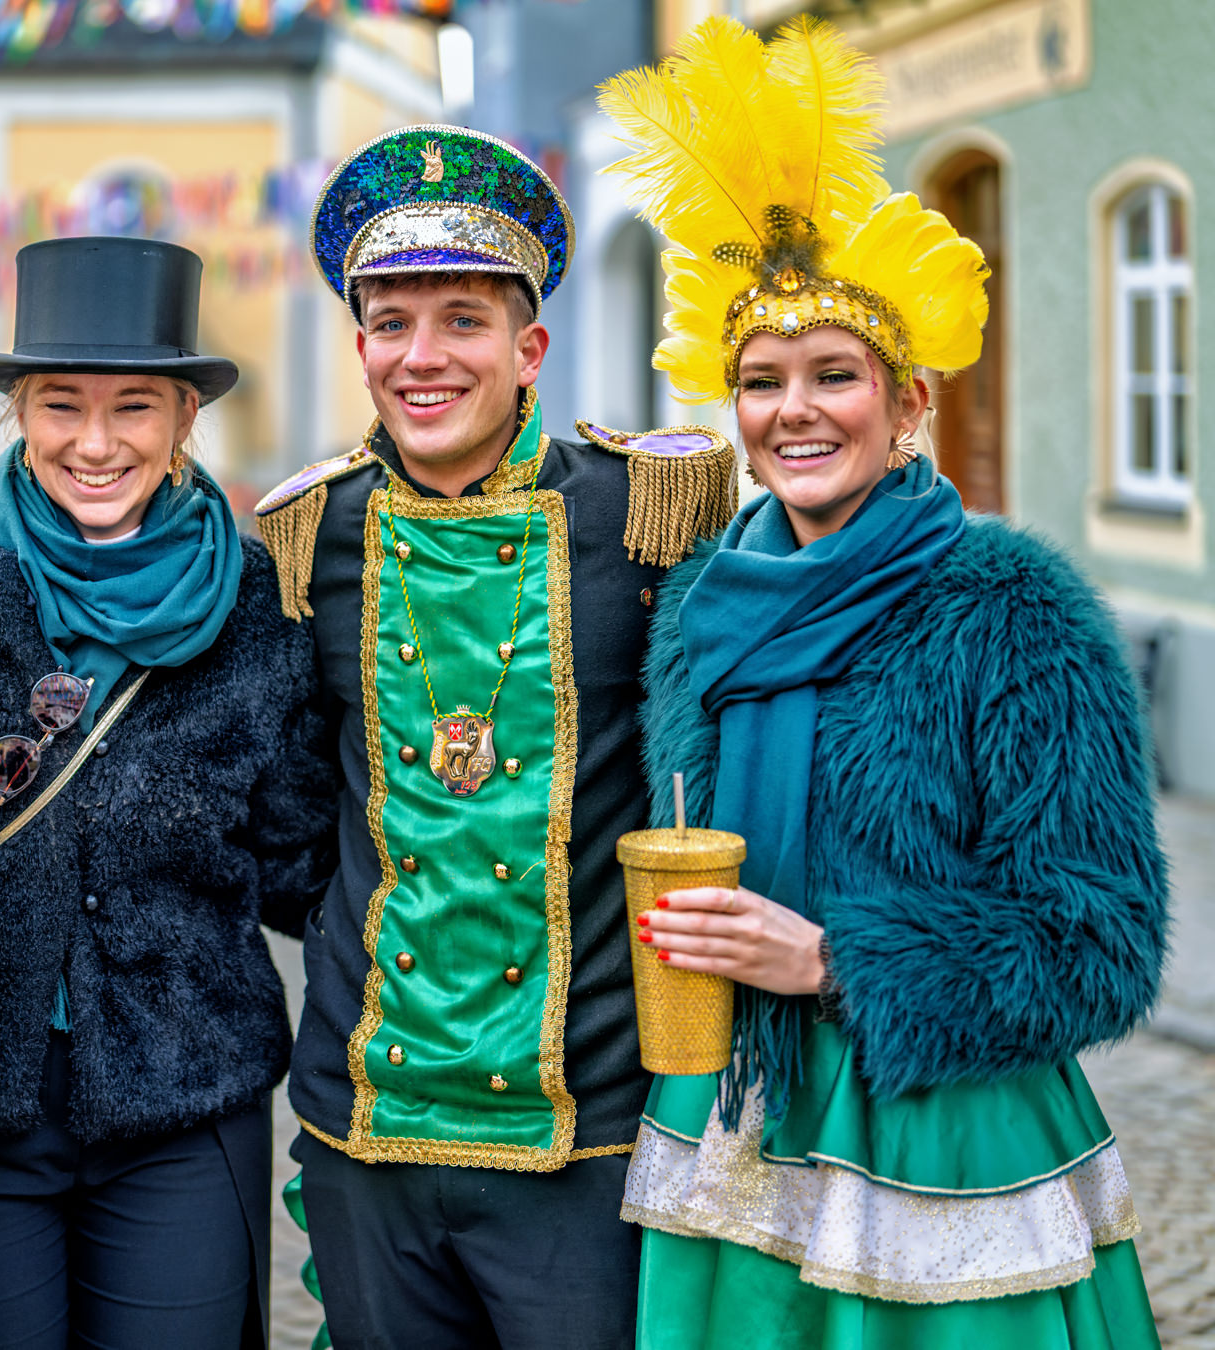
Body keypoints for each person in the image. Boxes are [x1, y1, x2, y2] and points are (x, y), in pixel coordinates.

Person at [599, 18, 1167, 1347]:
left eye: (834, 376)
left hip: (936, 1133)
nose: (794, 409)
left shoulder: (1012, 607)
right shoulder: (699, 608)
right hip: (730, 1121)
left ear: (908, 402)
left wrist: (833, 959)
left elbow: (1104, 941)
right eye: (762, 380)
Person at [254, 126, 737, 1348]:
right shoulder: (312, 534)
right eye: (391, 324)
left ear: (530, 350)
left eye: (462, 321)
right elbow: (293, 808)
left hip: (591, 1112)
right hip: (370, 1109)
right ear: (361, 347)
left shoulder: (647, 511)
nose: (422, 357)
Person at [0, 235, 337, 1350]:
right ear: (19, 408)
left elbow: (306, 862)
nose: (95, 444)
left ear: (185, 417)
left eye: (134, 407)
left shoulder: (261, 603)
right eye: (61, 404)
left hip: (184, 1098)